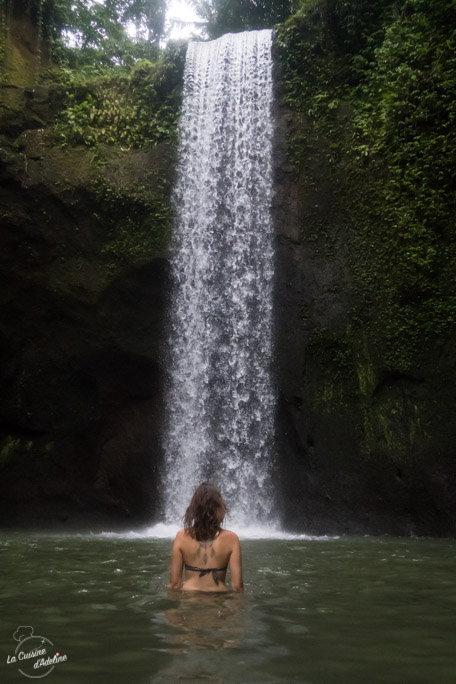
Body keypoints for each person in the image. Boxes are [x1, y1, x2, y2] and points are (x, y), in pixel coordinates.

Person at [168, 482, 244, 593]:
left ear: (194, 508)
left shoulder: (181, 536)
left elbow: (174, 584)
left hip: (190, 601)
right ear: (219, 508)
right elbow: (237, 587)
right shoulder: (231, 539)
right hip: (218, 599)